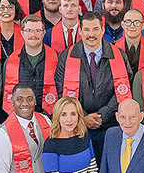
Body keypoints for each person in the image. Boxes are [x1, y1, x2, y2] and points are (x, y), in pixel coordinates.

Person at [56, 11, 134, 155]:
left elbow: (123, 92)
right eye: (86, 29)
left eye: (95, 29)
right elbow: (63, 93)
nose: (91, 34)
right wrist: (82, 117)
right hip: (77, 125)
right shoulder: (66, 57)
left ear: (103, 30)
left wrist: (102, 115)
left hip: (110, 125)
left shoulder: (119, 55)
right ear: (79, 31)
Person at [4, 15, 59, 117]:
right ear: (22, 33)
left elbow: (61, 91)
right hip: (19, 117)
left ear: (43, 33)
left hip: (50, 117)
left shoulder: (57, 58)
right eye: (29, 30)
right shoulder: (11, 61)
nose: (33, 35)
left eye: (38, 30)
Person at [113, 8, 144, 72]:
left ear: (143, 26)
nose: (132, 26)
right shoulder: (113, 47)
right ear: (122, 25)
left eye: (137, 22)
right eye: (128, 22)